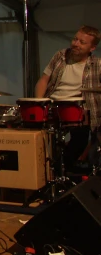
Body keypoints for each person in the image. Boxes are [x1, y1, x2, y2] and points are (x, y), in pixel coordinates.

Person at [35, 26, 101, 171]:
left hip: (78, 109)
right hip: (52, 105)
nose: (76, 44)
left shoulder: (97, 65)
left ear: (92, 48)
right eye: (75, 39)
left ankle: (64, 169)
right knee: (40, 139)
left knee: (81, 138)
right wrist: (39, 102)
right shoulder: (60, 55)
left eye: (82, 42)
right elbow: (44, 80)